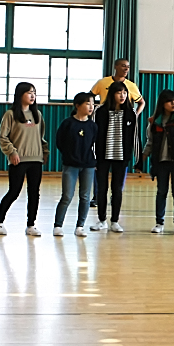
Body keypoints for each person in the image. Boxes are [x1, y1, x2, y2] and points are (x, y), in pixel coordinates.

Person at [0, 82, 50, 236]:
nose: (32, 96)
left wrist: (45, 151)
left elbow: (41, 137)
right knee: (14, 191)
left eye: (34, 92)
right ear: (20, 95)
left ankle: (31, 225)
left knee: (34, 193)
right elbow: (3, 137)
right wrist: (11, 152)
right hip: (18, 160)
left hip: (36, 160)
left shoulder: (37, 115)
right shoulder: (10, 115)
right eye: (29, 92)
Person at [89, 58, 144, 208]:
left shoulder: (131, 86)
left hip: (121, 146)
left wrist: (135, 115)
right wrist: (91, 110)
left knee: (117, 186)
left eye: (128, 66)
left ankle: (115, 206)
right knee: (101, 183)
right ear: (115, 66)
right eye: (123, 66)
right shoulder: (102, 83)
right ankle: (98, 200)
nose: (126, 69)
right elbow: (89, 97)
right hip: (104, 142)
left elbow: (141, 102)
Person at [91, 80, 139, 232]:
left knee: (117, 189)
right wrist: (93, 157)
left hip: (121, 156)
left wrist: (138, 160)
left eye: (125, 93)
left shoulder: (131, 113)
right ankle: (101, 220)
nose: (122, 95)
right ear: (112, 94)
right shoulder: (100, 111)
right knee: (102, 188)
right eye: (119, 92)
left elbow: (135, 137)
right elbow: (93, 135)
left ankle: (115, 221)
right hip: (103, 156)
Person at [144, 89, 174, 235]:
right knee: (161, 191)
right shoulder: (154, 121)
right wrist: (142, 159)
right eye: (170, 101)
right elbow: (150, 143)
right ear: (162, 103)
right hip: (160, 162)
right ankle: (159, 222)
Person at [53, 92, 97, 238]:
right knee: (67, 195)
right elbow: (60, 142)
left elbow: (95, 144)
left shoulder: (93, 126)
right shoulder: (67, 123)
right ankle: (58, 225)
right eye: (87, 103)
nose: (91, 106)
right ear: (78, 106)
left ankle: (80, 226)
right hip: (70, 165)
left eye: (92, 103)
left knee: (85, 196)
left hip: (88, 165)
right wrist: (69, 156)